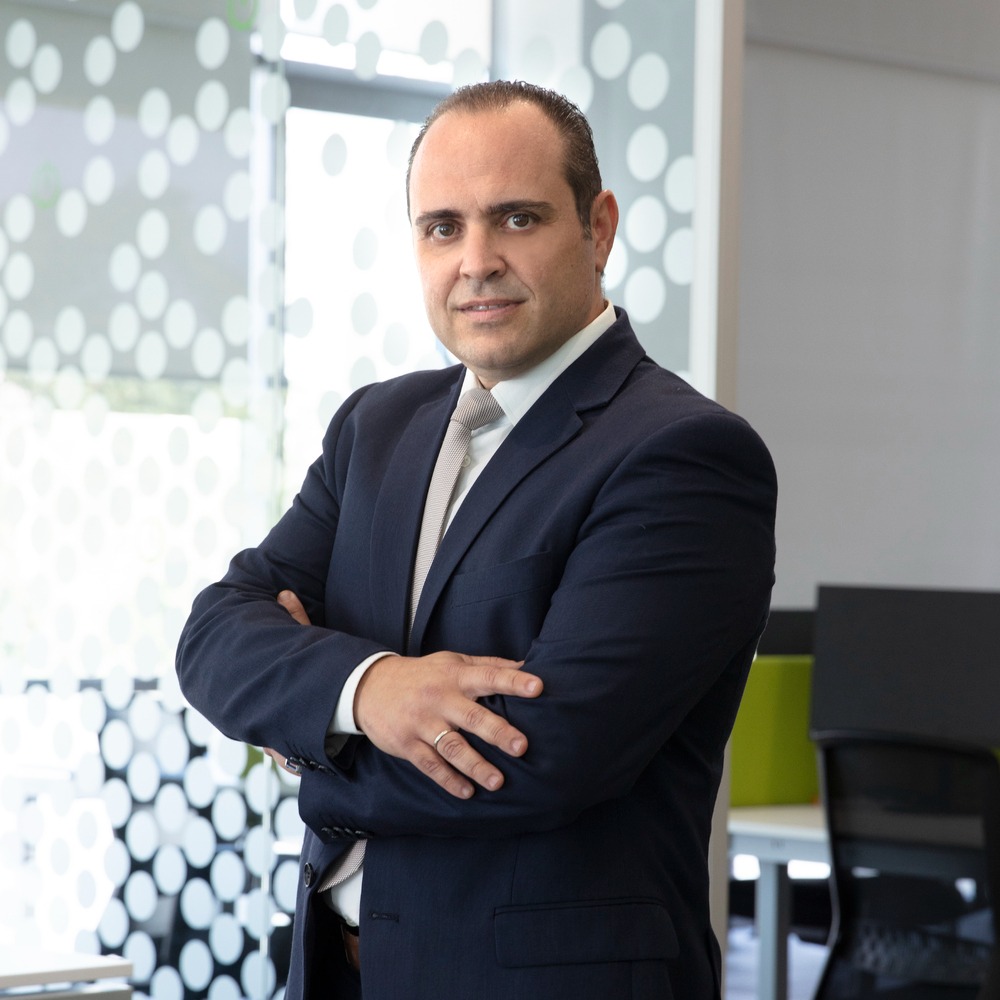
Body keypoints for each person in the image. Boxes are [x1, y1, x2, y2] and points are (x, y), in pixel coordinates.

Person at [176, 80, 777, 1000]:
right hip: (333, 975)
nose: (477, 261)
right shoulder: (376, 428)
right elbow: (217, 633)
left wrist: (312, 739)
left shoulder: (683, 454)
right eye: (442, 227)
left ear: (599, 228)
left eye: (517, 219)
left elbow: (540, 757)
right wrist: (369, 690)